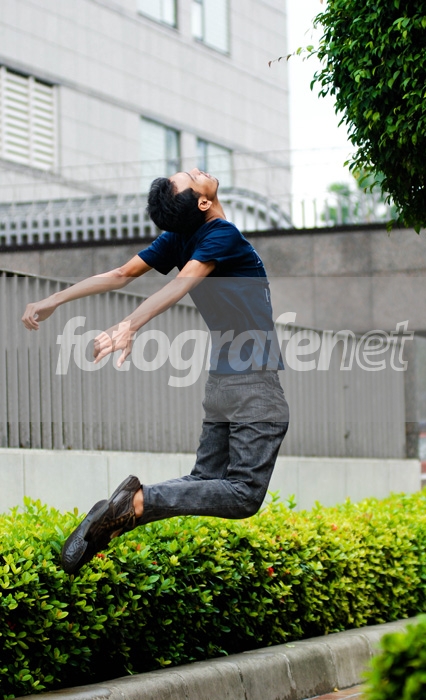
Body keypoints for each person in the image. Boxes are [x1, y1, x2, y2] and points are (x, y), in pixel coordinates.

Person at [22, 169, 289, 575]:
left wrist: (53, 300)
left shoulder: (179, 237)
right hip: (253, 382)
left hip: (221, 384)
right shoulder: (221, 234)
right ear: (203, 202)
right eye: (192, 177)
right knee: (244, 494)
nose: (199, 171)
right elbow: (181, 284)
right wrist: (130, 324)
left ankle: (123, 512)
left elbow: (120, 274)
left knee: (204, 478)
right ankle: (137, 502)